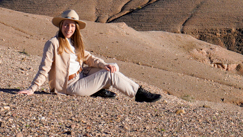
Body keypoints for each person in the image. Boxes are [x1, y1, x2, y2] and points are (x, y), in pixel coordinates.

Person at [17, 9, 161, 102]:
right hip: (69, 86)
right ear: (61, 26)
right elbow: (44, 67)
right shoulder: (53, 43)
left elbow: (89, 58)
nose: (69, 28)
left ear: (76, 28)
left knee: (109, 70)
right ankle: (138, 94)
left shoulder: (73, 42)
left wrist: (104, 64)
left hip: (82, 76)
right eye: (66, 25)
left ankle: (98, 91)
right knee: (109, 75)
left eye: (72, 25)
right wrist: (32, 88)